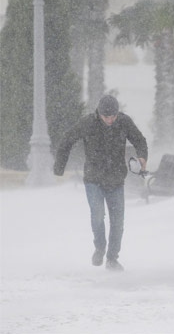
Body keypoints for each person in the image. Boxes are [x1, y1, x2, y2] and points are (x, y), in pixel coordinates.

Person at [54, 95, 148, 271]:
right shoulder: (88, 123)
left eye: (113, 116)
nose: (110, 120)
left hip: (116, 179)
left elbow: (139, 140)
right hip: (93, 179)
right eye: (107, 117)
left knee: (117, 221)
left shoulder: (124, 122)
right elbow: (67, 140)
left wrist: (142, 156)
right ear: (99, 113)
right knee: (97, 215)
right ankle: (99, 247)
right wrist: (59, 167)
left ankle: (112, 259)